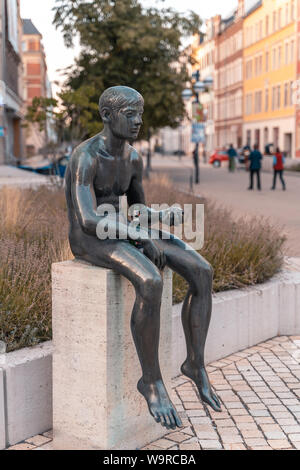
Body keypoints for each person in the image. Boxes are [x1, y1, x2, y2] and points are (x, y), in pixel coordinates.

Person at [65, 86, 221, 432]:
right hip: (90, 238)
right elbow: (88, 219)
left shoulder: (132, 158)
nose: (138, 121)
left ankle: (195, 364)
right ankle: (150, 381)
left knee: (202, 271)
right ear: (107, 115)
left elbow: (136, 208)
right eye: (130, 114)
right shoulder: (86, 157)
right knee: (150, 280)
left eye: (141, 113)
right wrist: (136, 234)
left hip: (120, 228)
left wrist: (161, 218)